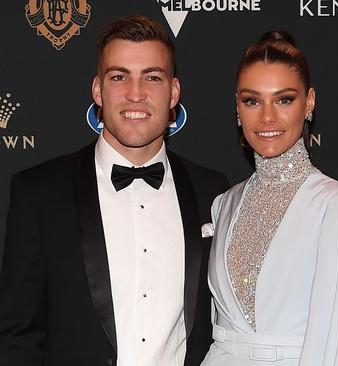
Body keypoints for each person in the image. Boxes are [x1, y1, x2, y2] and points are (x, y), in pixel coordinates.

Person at [0, 16, 229, 366]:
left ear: (174, 92)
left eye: (152, 77)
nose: (135, 93)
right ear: (97, 90)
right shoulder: (38, 193)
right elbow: (18, 335)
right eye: (119, 76)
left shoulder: (212, 192)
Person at [201, 31, 338, 365]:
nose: (267, 117)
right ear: (237, 107)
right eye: (252, 100)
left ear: (309, 102)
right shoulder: (224, 204)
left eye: (284, 99)